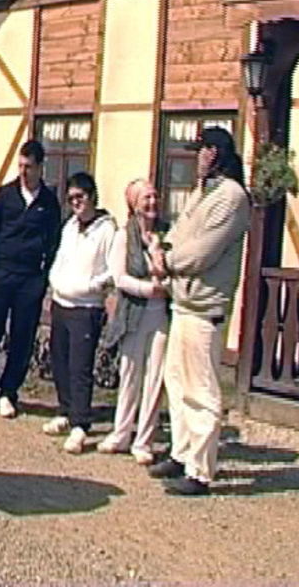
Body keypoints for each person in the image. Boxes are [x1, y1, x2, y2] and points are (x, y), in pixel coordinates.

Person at [147, 126, 250, 496]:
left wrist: (167, 260)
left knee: (202, 389)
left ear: (218, 153)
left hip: (206, 307)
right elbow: (178, 232)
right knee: (176, 382)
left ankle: (201, 471)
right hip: (184, 302)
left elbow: (203, 251)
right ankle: (182, 451)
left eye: (204, 150)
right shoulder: (201, 193)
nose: (199, 157)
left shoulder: (233, 197)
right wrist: (164, 250)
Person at [0, 140, 61, 417]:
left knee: (22, 337)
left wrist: (44, 276)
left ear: (41, 167)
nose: (23, 172)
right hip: (0, 274)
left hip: (30, 279)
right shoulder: (5, 195)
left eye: (29, 167)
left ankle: (9, 392)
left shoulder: (48, 202)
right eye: (20, 166)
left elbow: (53, 241)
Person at [97, 179, 170, 465]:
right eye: (146, 198)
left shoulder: (165, 233)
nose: (152, 203)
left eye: (154, 196)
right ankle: (121, 432)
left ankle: (145, 440)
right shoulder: (124, 237)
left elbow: (174, 268)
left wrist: (159, 255)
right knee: (130, 373)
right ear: (134, 204)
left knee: (155, 377)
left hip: (161, 313)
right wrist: (146, 289)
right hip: (135, 312)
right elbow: (119, 277)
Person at [43, 172, 116, 454]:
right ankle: (65, 410)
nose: (76, 203)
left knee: (80, 366)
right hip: (62, 301)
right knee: (59, 360)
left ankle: (80, 423)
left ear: (92, 197)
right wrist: (55, 281)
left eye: (80, 198)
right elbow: (60, 257)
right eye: (71, 198)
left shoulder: (107, 229)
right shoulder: (70, 226)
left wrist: (91, 286)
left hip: (86, 306)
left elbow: (112, 268)